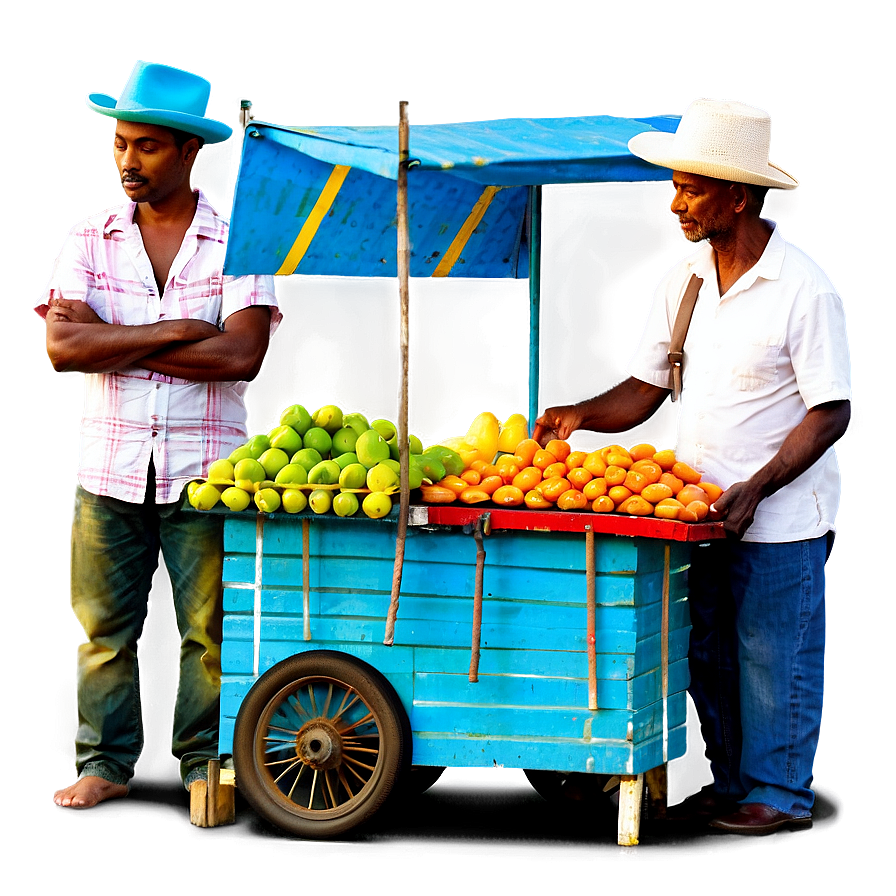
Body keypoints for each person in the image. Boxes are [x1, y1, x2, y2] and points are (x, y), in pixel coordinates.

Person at [534, 97, 852, 833]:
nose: (676, 202)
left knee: (776, 660)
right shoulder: (682, 282)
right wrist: (581, 414)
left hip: (779, 518)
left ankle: (780, 795)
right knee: (706, 653)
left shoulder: (804, 288)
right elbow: (645, 389)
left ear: (736, 195)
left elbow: (831, 410)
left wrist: (758, 488)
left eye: (691, 188)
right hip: (697, 515)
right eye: (676, 186)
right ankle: (734, 782)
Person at [35, 60, 281, 810]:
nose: (127, 162)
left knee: (210, 637)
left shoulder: (242, 240)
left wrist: (114, 335)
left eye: (145, 146)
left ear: (187, 153)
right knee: (104, 633)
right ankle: (104, 767)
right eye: (119, 145)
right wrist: (180, 330)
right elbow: (59, 351)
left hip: (206, 470)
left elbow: (242, 354)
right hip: (106, 467)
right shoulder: (87, 239)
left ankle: (205, 770)